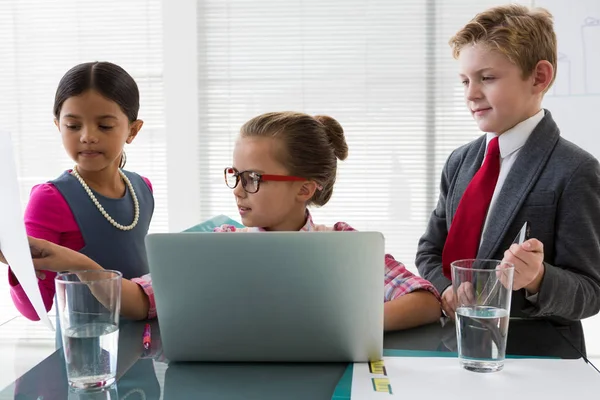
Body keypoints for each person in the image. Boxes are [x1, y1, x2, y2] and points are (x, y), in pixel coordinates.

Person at [8, 111, 442, 331]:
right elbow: (141, 301)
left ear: (305, 188)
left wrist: (343, 322)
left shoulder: (345, 245)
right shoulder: (220, 244)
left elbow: (424, 300)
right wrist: (78, 264)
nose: (237, 189)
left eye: (252, 179)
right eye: (236, 176)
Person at [416, 4, 600, 352]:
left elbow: (590, 293)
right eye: (465, 81)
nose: (471, 93)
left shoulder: (576, 170)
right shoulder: (460, 161)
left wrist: (538, 278)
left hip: (534, 356)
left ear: (539, 77)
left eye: (486, 78)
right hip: (453, 344)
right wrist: (447, 288)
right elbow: (430, 250)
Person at [6, 61, 154, 322]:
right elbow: (34, 308)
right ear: (58, 127)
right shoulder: (50, 200)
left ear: (133, 130)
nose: (87, 136)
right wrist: (18, 262)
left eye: (105, 126)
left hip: (142, 343)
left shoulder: (142, 188)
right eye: (73, 126)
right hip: (84, 351)